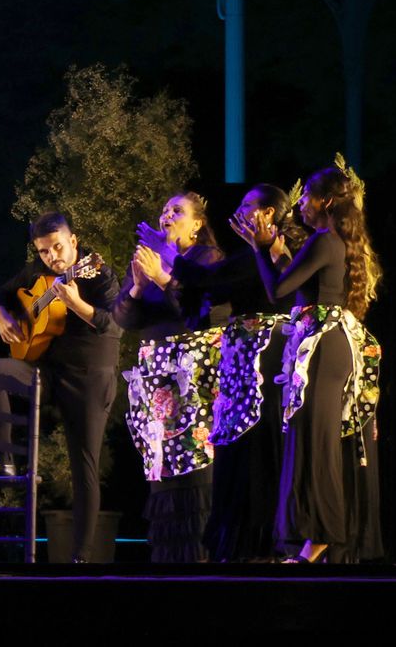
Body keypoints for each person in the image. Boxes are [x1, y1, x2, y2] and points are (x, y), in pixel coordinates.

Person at [138, 184, 299, 561]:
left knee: (255, 452)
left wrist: (165, 259)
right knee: (239, 452)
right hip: (242, 365)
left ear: (269, 215)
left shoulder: (275, 257)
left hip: (263, 364)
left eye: (247, 206)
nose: (238, 211)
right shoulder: (253, 256)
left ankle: (262, 542)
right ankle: (242, 543)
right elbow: (204, 297)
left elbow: (209, 282)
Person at [237, 164, 383, 563]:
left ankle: (321, 539)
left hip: (323, 349)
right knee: (307, 439)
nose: (300, 202)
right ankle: (309, 538)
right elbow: (301, 288)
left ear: (327, 202)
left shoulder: (324, 239)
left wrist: (260, 250)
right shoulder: (330, 241)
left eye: (306, 197)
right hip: (323, 347)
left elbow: (277, 291)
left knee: (317, 445)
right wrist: (276, 253)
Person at [0, 211, 121, 563]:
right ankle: (4, 459)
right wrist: (1, 313)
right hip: (48, 373)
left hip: (90, 378)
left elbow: (114, 326)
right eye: (44, 251)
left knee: (83, 465)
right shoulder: (37, 272)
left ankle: (80, 558)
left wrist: (76, 304)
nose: (52, 257)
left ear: (73, 242)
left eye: (58, 247)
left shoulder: (98, 273)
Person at [116, 191, 223, 562]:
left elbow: (199, 312)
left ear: (197, 224)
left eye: (177, 210)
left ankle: (200, 560)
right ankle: (169, 564)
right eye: (164, 210)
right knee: (163, 469)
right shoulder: (151, 261)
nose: (167, 215)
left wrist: (163, 277)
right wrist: (137, 286)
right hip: (156, 385)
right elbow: (124, 319)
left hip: (191, 380)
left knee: (192, 465)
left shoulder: (205, 259)